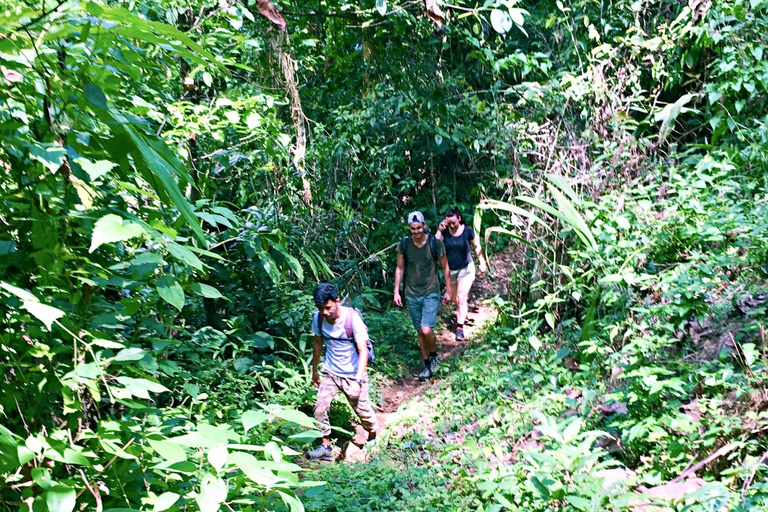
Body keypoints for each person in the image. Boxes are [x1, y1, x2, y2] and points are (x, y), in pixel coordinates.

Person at [307, 283, 379, 462]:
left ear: (337, 301)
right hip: (331, 372)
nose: (324, 312)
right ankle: (325, 446)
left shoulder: (352, 319)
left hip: (353, 374)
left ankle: (372, 434)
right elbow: (318, 343)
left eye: (328, 308)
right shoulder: (318, 318)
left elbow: (363, 351)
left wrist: (358, 381)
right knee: (320, 409)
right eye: (320, 308)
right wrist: (314, 369)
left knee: (363, 412)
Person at [393, 211, 452, 381]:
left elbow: (445, 266)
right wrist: (396, 291)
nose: (416, 231)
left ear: (424, 226)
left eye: (419, 228)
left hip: (430, 292)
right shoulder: (404, 244)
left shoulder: (435, 243)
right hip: (411, 294)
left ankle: (434, 357)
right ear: (409, 228)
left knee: (427, 329)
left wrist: (448, 290)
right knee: (420, 331)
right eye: (413, 229)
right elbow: (399, 268)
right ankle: (426, 364)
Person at [436, 207, 487, 341]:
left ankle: (459, 328)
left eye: (453, 222)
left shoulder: (467, 230)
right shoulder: (445, 232)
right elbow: (434, 245)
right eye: (449, 223)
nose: (451, 225)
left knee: (462, 297)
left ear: (459, 218)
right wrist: (440, 230)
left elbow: (476, 245)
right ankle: (461, 309)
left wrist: (482, 261)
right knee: (455, 299)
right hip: (451, 270)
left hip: (466, 268)